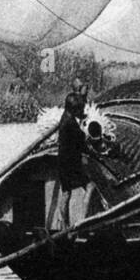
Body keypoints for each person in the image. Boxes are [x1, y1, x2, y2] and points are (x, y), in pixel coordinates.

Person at [49, 78, 90, 231]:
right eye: (80, 109)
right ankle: (83, 222)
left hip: (62, 162)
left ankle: (63, 225)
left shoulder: (64, 118)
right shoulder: (72, 125)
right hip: (72, 164)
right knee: (90, 186)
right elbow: (83, 144)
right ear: (76, 110)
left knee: (66, 193)